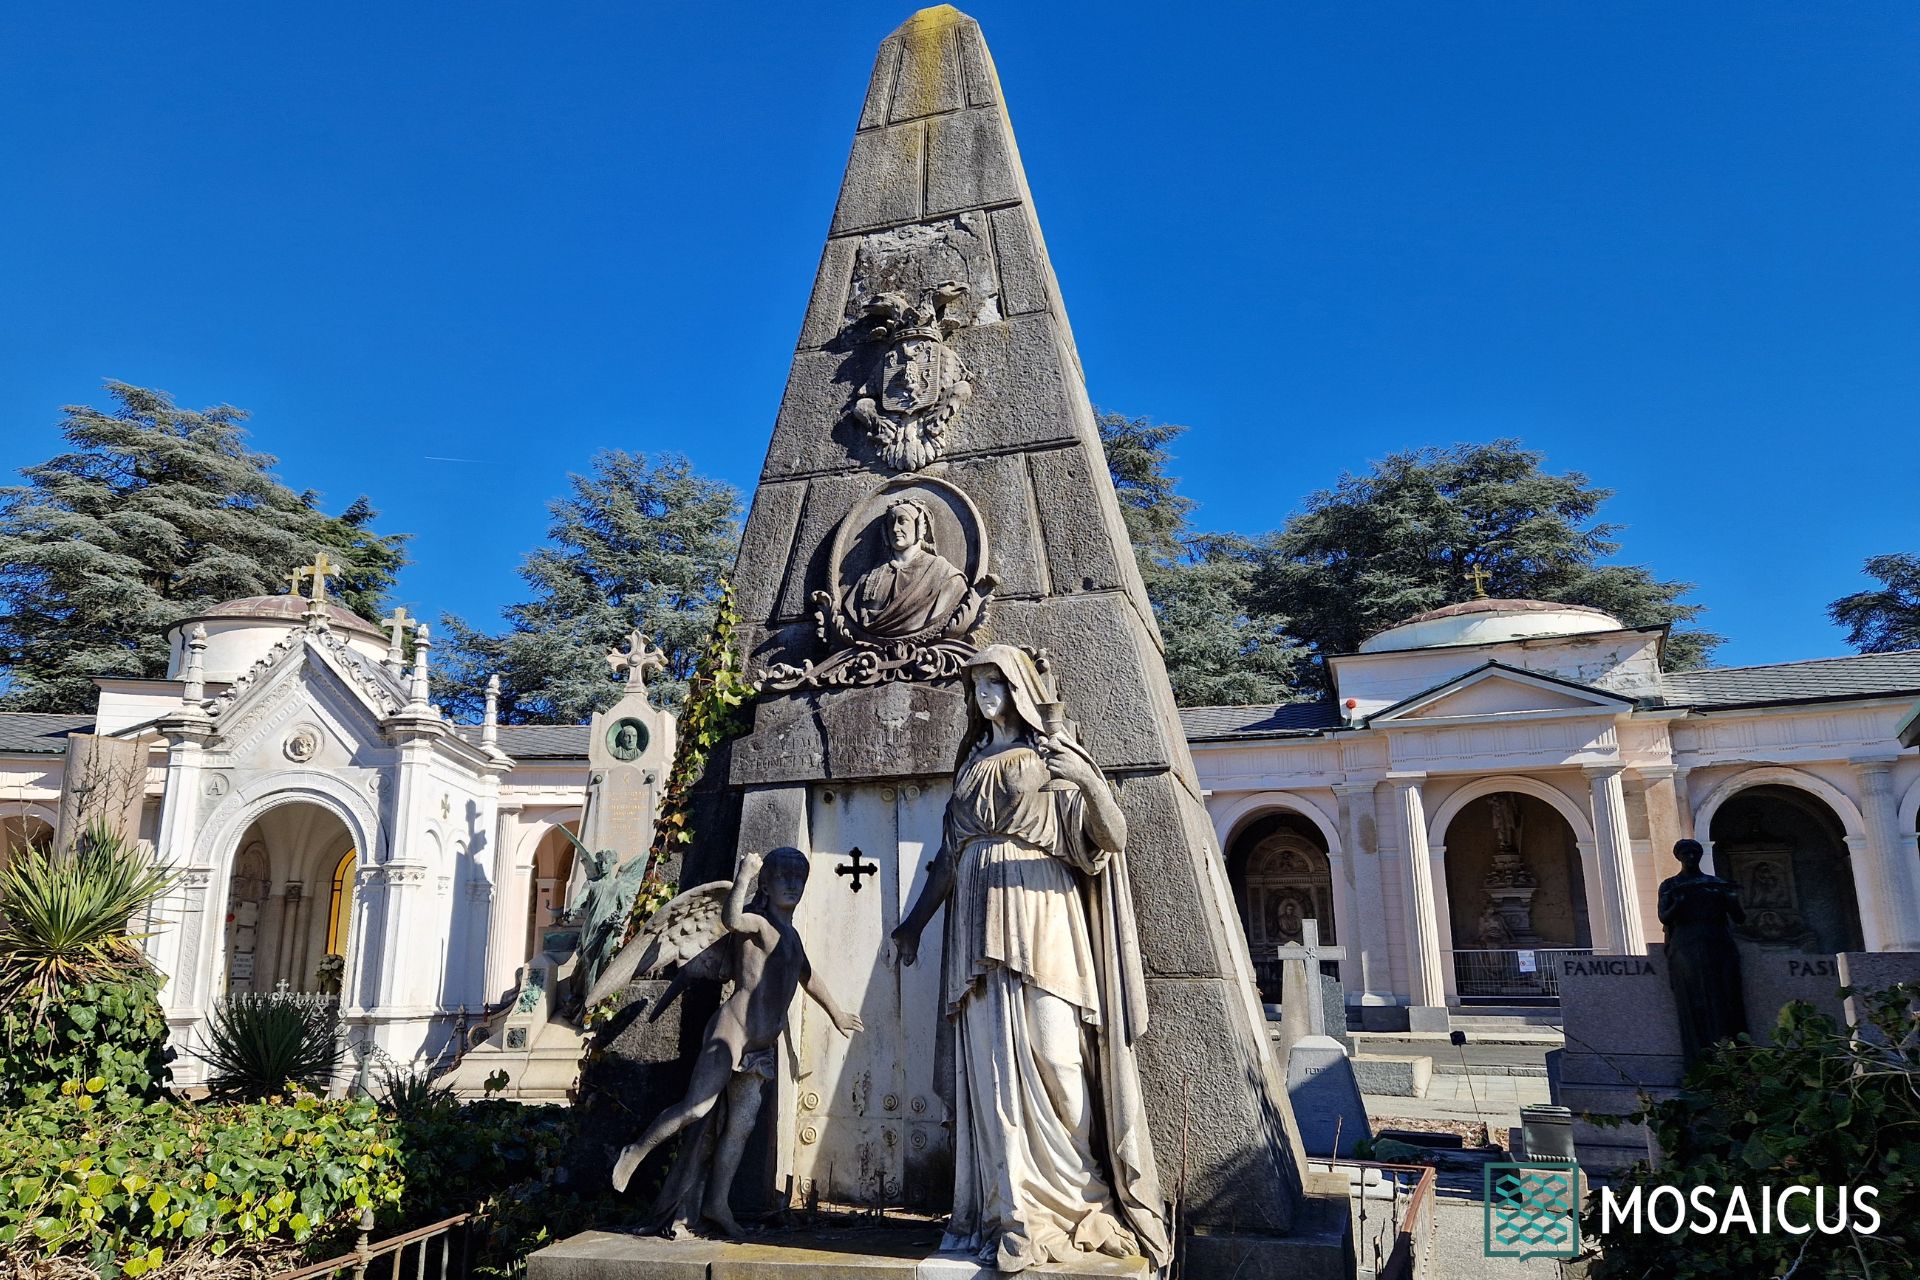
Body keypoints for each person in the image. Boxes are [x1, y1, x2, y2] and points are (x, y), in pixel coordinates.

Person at [893, 645, 1169, 1273]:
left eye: (994, 682)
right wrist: (913, 926)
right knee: (992, 1070)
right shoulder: (970, 766)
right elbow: (948, 856)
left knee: (1056, 1053)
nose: (983, 694)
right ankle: (1008, 1207)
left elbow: (1112, 836)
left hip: (1043, 913)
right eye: (976, 685)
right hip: (976, 923)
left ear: (1018, 688)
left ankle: (1079, 1195)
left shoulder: (1052, 756)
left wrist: (1087, 778)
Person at [609, 846, 862, 1234]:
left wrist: (838, 1014)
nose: (793, 885)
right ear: (766, 882)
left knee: (740, 1128)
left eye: (800, 878)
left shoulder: (792, 936)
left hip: (759, 1050)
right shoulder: (758, 924)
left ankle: (717, 1202)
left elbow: (808, 978)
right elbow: (730, 919)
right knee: (697, 1108)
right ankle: (636, 1149)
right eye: (783, 877)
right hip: (732, 1031)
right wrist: (742, 876)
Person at [1657, 838, 1748, 1067]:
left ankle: (1733, 1060)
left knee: (1727, 999)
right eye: (1685, 853)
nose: (1690, 857)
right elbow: (1664, 917)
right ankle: (1699, 1062)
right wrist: (1679, 902)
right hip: (1686, 946)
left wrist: (1732, 900)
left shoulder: (1717, 883)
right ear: (1678, 857)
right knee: (1693, 1001)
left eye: (1694, 852)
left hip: (1718, 943)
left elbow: (1739, 918)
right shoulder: (1670, 885)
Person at [848, 498, 968, 638]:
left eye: (902, 521)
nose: (895, 529)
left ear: (920, 527)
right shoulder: (868, 579)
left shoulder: (945, 574)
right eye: (890, 523)